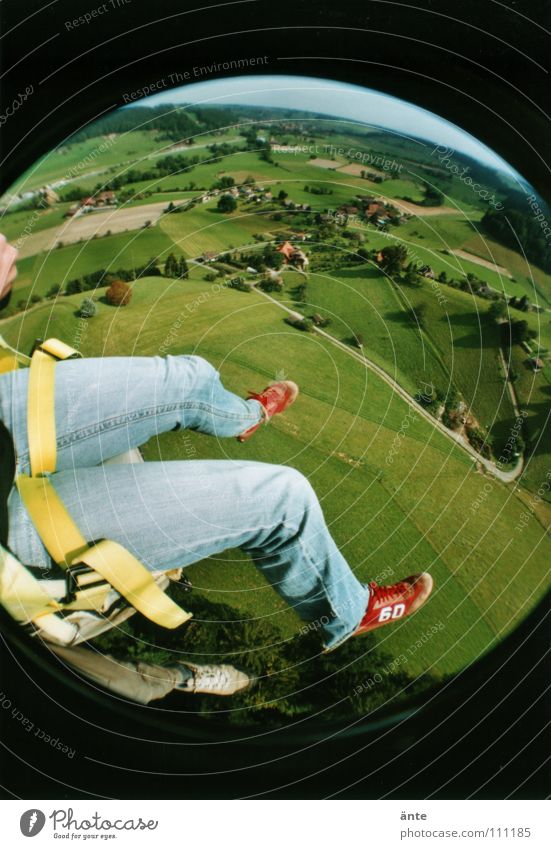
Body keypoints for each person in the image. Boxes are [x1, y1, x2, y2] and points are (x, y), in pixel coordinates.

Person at [0, 233, 433, 700]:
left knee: (191, 376)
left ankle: (246, 417)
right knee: (283, 499)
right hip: (10, 532)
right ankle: (349, 612)